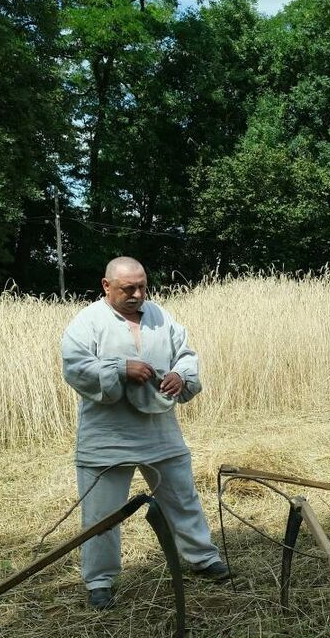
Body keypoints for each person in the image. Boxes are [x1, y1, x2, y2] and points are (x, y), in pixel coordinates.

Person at [61, 256, 228, 611]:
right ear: (106, 286)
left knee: (181, 497)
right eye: (128, 288)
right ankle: (100, 581)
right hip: (107, 434)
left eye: (142, 286)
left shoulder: (160, 316)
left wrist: (181, 376)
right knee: (101, 513)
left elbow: (186, 355)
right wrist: (120, 369)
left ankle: (202, 557)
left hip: (159, 429)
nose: (138, 294)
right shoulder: (88, 322)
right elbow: (75, 367)